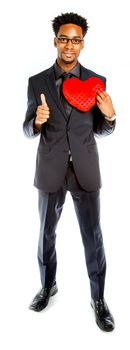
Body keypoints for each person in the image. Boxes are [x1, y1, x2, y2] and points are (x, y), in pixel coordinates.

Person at [23, 12, 116, 331]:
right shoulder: (37, 82)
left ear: (82, 44)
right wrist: (37, 120)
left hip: (86, 170)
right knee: (45, 233)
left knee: (94, 236)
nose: (69, 45)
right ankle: (48, 285)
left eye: (76, 40)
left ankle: (99, 298)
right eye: (64, 38)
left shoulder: (97, 80)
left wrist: (111, 117)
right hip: (50, 169)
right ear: (55, 41)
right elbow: (26, 129)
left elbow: (101, 130)